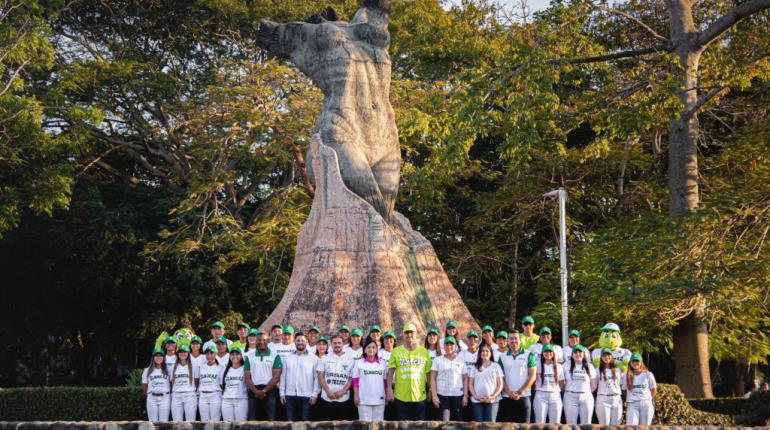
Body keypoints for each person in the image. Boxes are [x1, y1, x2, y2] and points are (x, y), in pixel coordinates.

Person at [386, 322, 432, 420]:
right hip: (400, 396)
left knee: (419, 426)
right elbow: (390, 372)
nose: (409, 335)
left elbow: (428, 373)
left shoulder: (424, 352)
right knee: (402, 426)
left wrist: (431, 390)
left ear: (416, 334)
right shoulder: (396, 351)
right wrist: (389, 389)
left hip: (419, 396)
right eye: (407, 332)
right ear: (403, 334)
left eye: (412, 332)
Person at [280, 332, 320, 421]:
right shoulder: (288, 358)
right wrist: (282, 393)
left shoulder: (314, 359)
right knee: (290, 423)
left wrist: (314, 395)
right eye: (298, 340)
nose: (300, 342)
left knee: (304, 423)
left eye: (302, 340)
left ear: (307, 342)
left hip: (307, 396)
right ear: (294, 342)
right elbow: (283, 376)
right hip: (289, 395)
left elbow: (317, 378)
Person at [498, 330, 536, 423]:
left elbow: (532, 376)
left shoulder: (529, 354)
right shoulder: (502, 357)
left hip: (524, 396)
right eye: (511, 338)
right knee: (508, 427)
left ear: (520, 340)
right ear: (507, 340)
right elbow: (500, 378)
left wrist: (520, 392)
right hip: (507, 396)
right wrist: (509, 392)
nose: (513, 341)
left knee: (524, 427)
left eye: (516, 338)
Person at [244, 330, 282, 421]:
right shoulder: (248, 356)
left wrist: (264, 390)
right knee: (252, 419)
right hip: (253, 390)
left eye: (264, 340)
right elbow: (247, 377)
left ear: (268, 341)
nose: (262, 342)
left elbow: (276, 376)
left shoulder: (275, 355)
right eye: (259, 340)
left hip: (270, 390)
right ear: (256, 341)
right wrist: (255, 391)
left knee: (270, 419)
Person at [318, 335, 355, 420]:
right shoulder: (324, 358)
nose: (337, 345)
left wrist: (343, 391)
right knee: (327, 425)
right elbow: (320, 376)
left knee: (342, 425)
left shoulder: (350, 359)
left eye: (339, 343)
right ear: (331, 345)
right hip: (327, 398)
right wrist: (328, 391)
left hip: (343, 398)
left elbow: (351, 378)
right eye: (334, 343)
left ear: (343, 344)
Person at [430, 336, 467, 421]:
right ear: (444, 346)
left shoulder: (461, 360)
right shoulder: (437, 360)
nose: (449, 347)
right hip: (442, 395)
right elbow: (432, 378)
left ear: (455, 346)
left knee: (458, 422)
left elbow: (465, 379)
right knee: (444, 422)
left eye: (451, 344)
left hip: (458, 395)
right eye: (447, 344)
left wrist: (465, 396)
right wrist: (434, 395)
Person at [353, 337, 388, 420]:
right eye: (368, 347)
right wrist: (356, 395)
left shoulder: (382, 363)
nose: (371, 349)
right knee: (364, 424)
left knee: (378, 425)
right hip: (364, 400)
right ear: (364, 350)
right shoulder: (359, 362)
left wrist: (386, 395)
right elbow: (355, 380)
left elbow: (385, 381)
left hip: (379, 399)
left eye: (373, 347)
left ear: (376, 350)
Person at [468, 343, 504, 422]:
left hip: (492, 401)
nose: (485, 353)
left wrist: (493, 396)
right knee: (478, 424)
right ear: (479, 353)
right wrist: (475, 396)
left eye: (487, 351)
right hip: (477, 401)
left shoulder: (496, 366)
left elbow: (500, 384)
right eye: (482, 351)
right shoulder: (475, 367)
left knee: (490, 425)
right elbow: (470, 384)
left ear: (491, 353)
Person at [563, 345, 596, 425]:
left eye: (580, 352)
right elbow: (562, 383)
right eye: (575, 352)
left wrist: (586, 392)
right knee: (571, 425)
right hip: (570, 397)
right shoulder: (566, 365)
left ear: (584, 354)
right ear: (572, 355)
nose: (578, 354)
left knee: (586, 425)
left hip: (586, 398)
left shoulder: (589, 366)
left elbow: (594, 385)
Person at [532, 344, 564, 424]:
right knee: (540, 423)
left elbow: (561, 383)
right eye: (545, 351)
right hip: (541, 395)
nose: (548, 353)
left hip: (555, 396)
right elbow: (532, 380)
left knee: (555, 424)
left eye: (550, 351)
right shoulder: (537, 364)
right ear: (542, 353)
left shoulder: (559, 366)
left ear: (553, 353)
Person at [623, 352, 657, 425]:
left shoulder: (648, 374)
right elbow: (624, 391)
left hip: (646, 404)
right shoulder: (626, 375)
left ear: (641, 362)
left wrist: (646, 398)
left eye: (637, 361)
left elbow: (653, 390)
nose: (635, 363)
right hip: (632, 404)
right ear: (630, 363)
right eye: (633, 361)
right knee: (631, 427)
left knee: (645, 427)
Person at [595, 348, 623, 425]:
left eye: (608, 355)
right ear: (601, 357)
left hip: (617, 399)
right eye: (604, 355)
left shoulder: (618, 370)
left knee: (616, 426)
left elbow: (620, 384)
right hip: (603, 400)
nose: (606, 357)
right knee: (604, 427)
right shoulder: (597, 370)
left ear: (612, 356)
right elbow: (594, 384)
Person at [170, 344, 198, 421]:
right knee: (176, 422)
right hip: (176, 396)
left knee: (190, 422)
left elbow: (197, 381)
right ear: (178, 353)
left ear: (188, 353)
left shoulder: (194, 366)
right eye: (180, 352)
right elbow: (171, 381)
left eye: (185, 352)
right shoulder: (172, 366)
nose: (182, 353)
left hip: (189, 395)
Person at [142, 348, 171, 421]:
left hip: (165, 398)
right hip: (152, 398)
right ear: (153, 358)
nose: (158, 357)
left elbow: (171, 383)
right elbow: (145, 386)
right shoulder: (147, 370)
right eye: (156, 355)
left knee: (163, 423)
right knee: (152, 422)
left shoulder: (168, 370)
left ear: (163, 358)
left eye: (161, 355)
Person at [221, 346, 248, 421]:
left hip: (241, 400)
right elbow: (221, 385)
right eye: (232, 354)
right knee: (227, 425)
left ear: (241, 356)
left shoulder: (245, 369)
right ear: (229, 356)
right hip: (227, 401)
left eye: (237, 354)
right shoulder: (225, 369)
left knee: (240, 425)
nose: (234, 356)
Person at [197, 346, 224, 421]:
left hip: (215, 395)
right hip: (203, 396)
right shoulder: (201, 367)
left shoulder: (221, 367)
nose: (209, 356)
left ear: (216, 354)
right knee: (204, 420)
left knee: (215, 421)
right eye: (207, 354)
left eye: (211, 353)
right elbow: (199, 381)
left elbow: (222, 384)